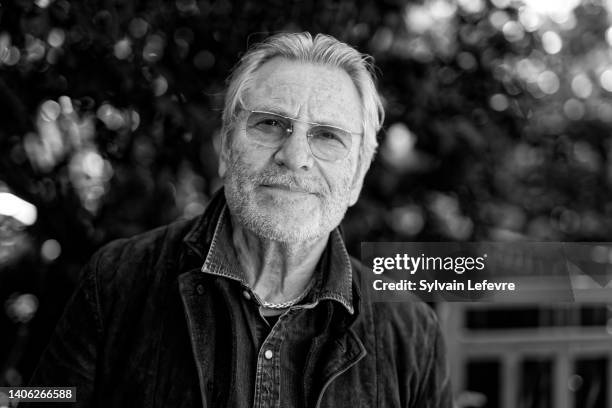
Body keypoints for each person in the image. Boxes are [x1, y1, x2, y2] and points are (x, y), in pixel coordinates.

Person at [27, 32, 452, 407]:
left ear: (358, 175)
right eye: (269, 124)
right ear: (227, 150)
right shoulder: (115, 280)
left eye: (327, 136)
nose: (295, 157)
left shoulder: (410, 331)